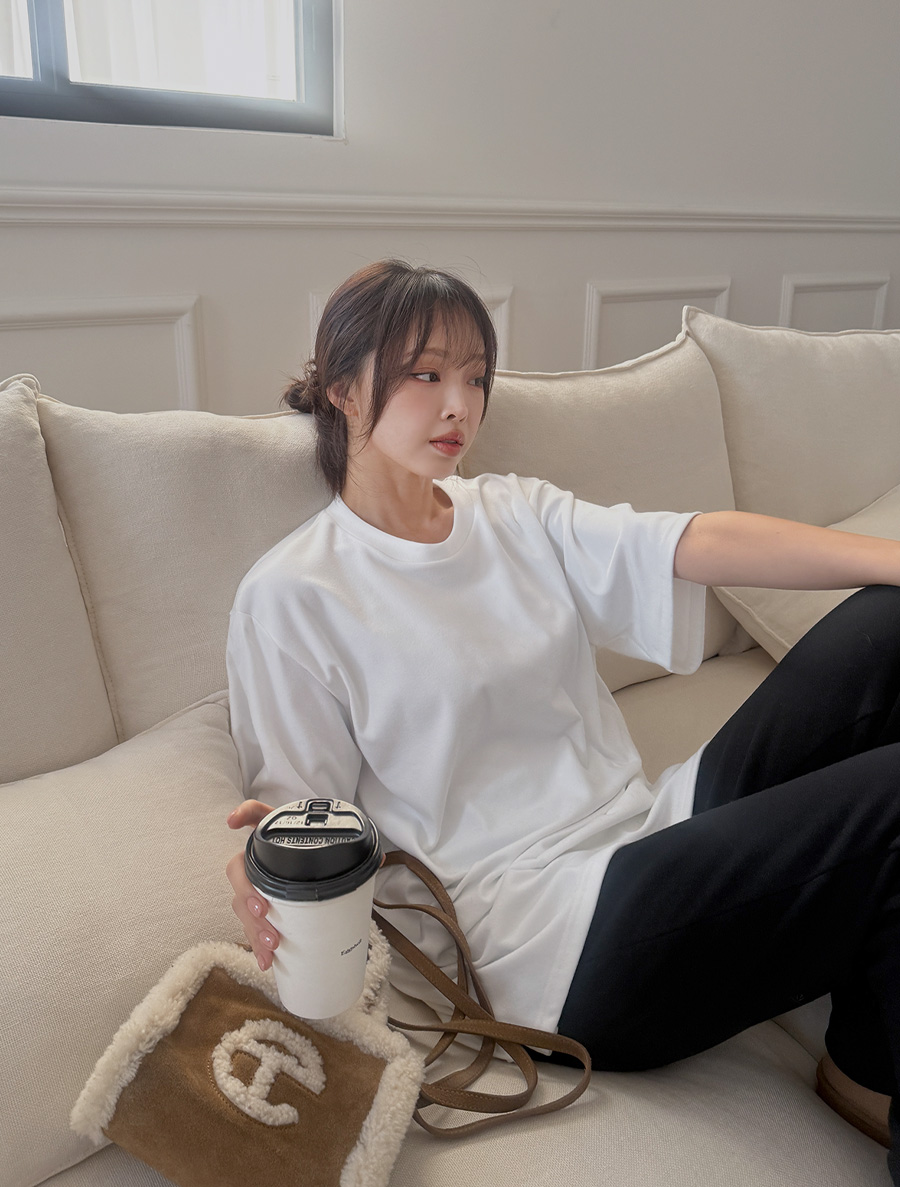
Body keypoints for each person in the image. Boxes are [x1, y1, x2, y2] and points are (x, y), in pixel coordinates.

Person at [224, 258, 900, 1177]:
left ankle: (864, 1031)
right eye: (427, 374)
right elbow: (302, 817)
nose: (459, 404)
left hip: (650, 831)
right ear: (343, 388)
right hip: (549, 943)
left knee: (885, 624)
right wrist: (261, 867)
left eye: (476, 377)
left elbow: (695, 539)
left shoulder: (511, 513)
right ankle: (872, 1072)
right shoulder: (291, 595)